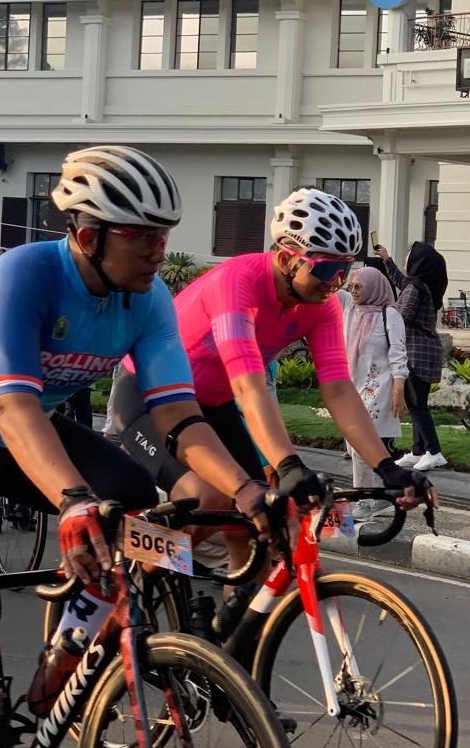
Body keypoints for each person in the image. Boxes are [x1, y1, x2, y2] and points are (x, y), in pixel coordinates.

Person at [0, 145, 283, 748]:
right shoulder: (26, 275)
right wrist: (72, 501)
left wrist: (247, 490)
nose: (159, 250)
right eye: (142, 236)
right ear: (89, 235)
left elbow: (178, 416)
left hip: (21, 430)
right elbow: (11, 405)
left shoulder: (148, 299)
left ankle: (66, 651)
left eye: (164, 235)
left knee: (129, 496)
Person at [112, 187, 433, 573]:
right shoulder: (237, 283)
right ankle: (130, 575)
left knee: (255, 522)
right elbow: (248, 387)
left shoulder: (321, 305)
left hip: (212, 405)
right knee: (211, 497)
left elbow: (338, 390)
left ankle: (241, 608)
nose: (335, 283)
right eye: (326, 270)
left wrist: (387, 467)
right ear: (285, 258)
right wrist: (289, 465)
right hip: (151, 398)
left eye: (344, 270)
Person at [343, 267, 410, 522]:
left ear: (373, 287)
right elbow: (327, 290)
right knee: (359, 446)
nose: (353, 291)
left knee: (360, 443)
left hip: (378, 388)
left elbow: (398, 353)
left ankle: (364, 500)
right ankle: (382, 498)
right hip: (352, 388)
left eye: (358, 286)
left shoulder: (389, 314)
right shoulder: (350, 309)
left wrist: (399, 390)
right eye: (351, 286)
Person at [374, 241, 448, 471]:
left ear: (418, 261)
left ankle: (434, 452)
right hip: (426, 351)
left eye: (409, 254)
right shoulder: (421, 285)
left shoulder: (415, 288)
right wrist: (386, 259)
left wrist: (379, 312)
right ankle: (418, 452)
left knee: (416, 405)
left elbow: (400, 317)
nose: (406, 258)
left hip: (416, 352)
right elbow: (401, 281)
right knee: (418, 404)